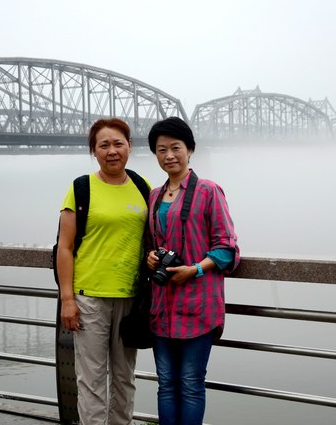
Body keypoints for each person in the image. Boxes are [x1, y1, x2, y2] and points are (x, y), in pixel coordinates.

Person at [145, 117, 240, 425]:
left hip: (198, 304)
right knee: (165, 384)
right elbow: (152, 243)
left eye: (176, 148)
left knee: (190, 383)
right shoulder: (154, 195)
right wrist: (151, 257)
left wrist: (196, 269)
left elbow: (227, 246)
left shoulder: (209, 191)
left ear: (190, 149)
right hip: (162, 305)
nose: (169, 155)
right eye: (161, 150)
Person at [56, 117, 150, 425]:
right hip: (89, 298)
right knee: (92, 381)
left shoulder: (142, 187)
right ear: (94, 151)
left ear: (129, 147)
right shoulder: (81, 188)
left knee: (125, 378)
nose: (112, 151)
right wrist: (67, 299)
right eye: (104, 145)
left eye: (118, 143)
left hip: (131, 298)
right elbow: (65, 247)